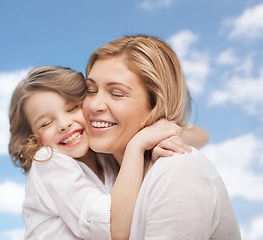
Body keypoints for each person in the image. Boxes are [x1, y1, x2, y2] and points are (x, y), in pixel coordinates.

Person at [8, 66, 207, 239]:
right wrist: (137, 145)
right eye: (45, 123)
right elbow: (113, 230)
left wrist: (156, 130)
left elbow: (200, 136)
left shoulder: (103, 153)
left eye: (72, 108)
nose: (63, 124)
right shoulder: (48, 161)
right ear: (33, 140)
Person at [83, 34, 241, 239]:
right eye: (90, 90)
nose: (94, 105)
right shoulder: (104, 172)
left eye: (117, 93)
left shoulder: (176, 169)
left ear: (156, 103)